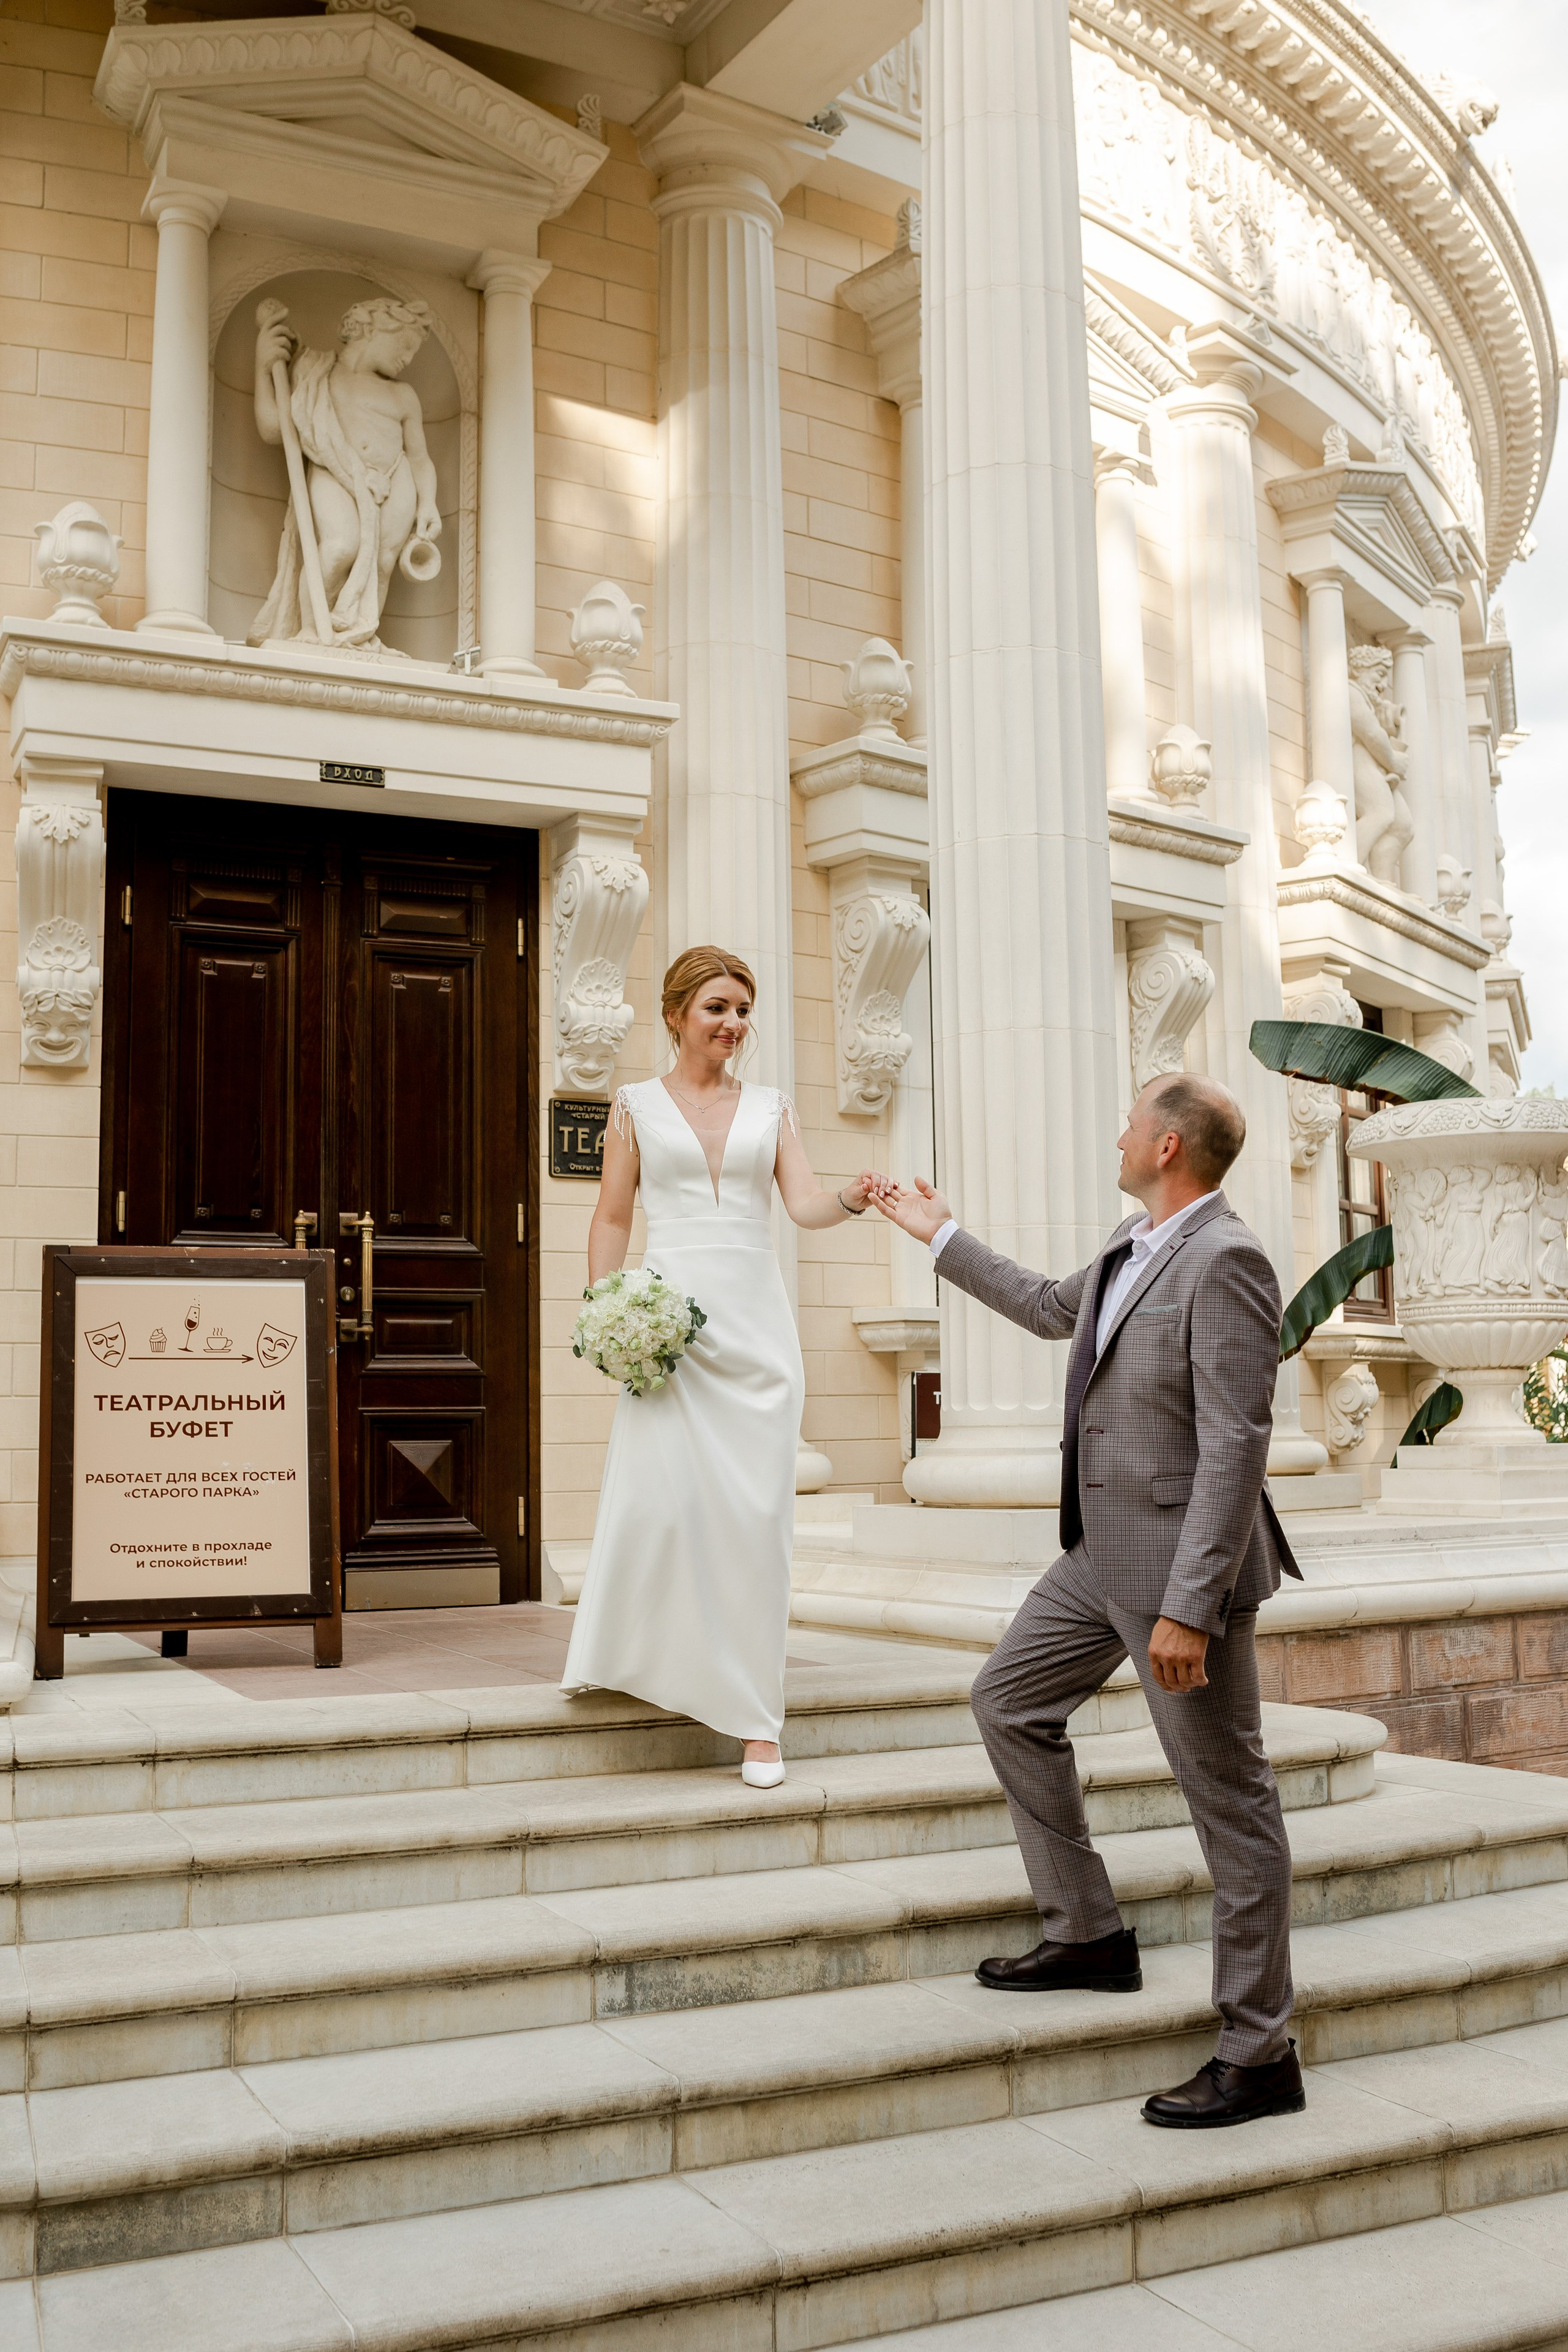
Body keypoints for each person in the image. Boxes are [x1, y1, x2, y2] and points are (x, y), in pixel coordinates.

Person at [869, 1074, 1308, 2129]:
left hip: (1177, 1578)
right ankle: (1089, 1934)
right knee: (1008, 1702)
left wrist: (1192, 1607)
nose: (1114, 1133)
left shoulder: (1228, 1258)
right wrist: (940, 1234)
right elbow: (1048, 1308)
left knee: (1232, 1809)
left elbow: (1236, 1444)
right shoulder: (1130, 1243)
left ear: (1166, 1145)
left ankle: (1261, 2050)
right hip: (1094, 1556)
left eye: (1127, 1122)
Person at [561, 947, 878, 1787]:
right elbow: (611, 1216)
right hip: (668, 1326)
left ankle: (756, 1722)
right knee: (657, 1505)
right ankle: (626, 1654)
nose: (734, 1024)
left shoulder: (771, 1109)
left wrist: (851, 1198)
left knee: (753, 1520)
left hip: (754, 1329)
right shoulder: (631, 1106)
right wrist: (606, 1307)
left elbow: (802, 1204)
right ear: (675, 1015)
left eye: (743, 1009)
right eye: (717, 1008)